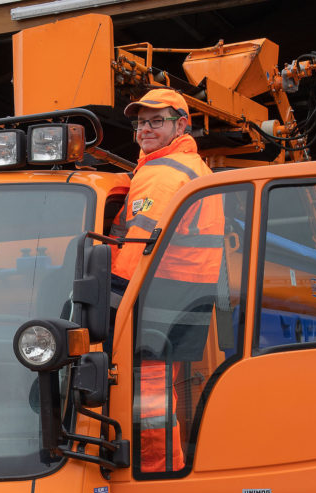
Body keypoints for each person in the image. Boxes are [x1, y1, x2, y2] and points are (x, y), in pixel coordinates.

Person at [110, 88, 224, 473]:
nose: (145, 129)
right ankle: (163, 466)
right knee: (158, 390)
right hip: (185, 291)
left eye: (156, 121)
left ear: (181, 124)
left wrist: (111, 304)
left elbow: (137, 246)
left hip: (160, 290)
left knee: (149, 393)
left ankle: (156, 473)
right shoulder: (182, 166)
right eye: (141, 122)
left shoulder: (162, 174)